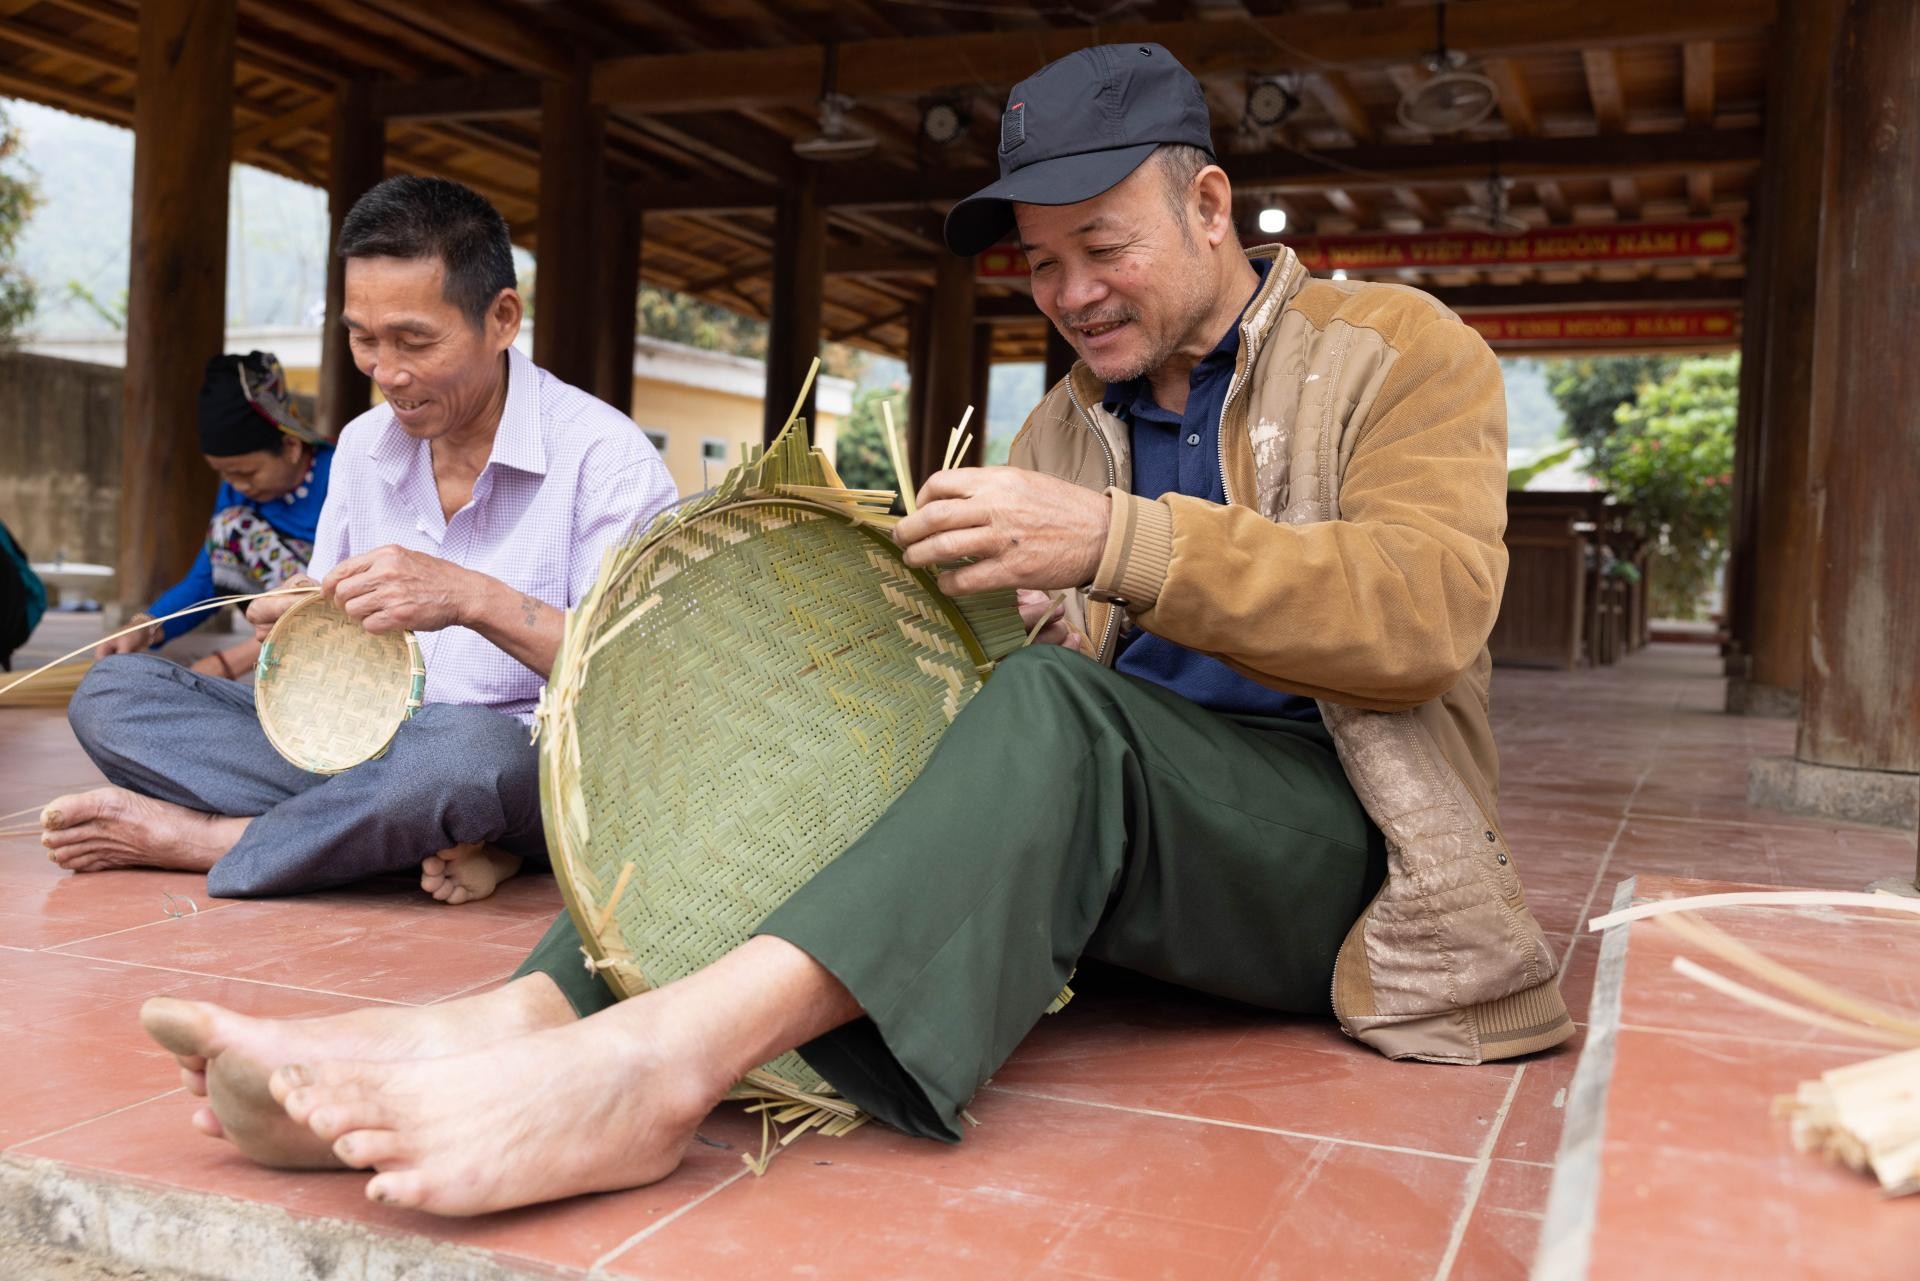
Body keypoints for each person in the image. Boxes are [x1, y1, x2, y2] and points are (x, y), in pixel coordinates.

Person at [138, 45, 1570, 1216]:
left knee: (1062, 719)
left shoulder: (1396, 351)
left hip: (1338, 842)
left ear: (1208, 206)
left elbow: (1429, 616)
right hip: (1140, 833)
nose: (1070, 293)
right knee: (880, 730)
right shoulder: (1076, 416)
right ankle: (511, 1018)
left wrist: (1113, 545)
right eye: (1041, 262)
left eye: (1102, 248)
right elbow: (1047, 670)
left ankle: (657, 1070)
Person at [44, 175, 676, 903]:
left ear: (502, 318)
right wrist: (298, 620)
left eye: (414, 340)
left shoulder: (606, 458)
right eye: (363, 339)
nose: (388, 373)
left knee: (465, 753)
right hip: (361, 753)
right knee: (114, 693)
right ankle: (406, 838)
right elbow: (332, 632)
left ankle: (213, 839)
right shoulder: (363, 445)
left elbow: (638, 683)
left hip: (519, 764)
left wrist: (468, 597)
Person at [95, 351, 332, 682]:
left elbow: (339, 592)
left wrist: (228, 662)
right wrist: (144, 627)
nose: (237, 486)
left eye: (247, 473)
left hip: (341, 621)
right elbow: (204, 579)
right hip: (283, 629)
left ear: (291, 448)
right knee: (229, 529)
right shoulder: (238, 495)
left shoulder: (340, 473)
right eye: (225, 475)